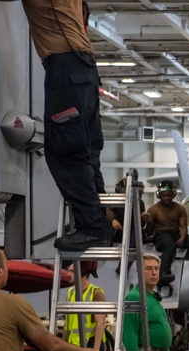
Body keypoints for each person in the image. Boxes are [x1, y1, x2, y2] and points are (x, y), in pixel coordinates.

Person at [18, 1, 111, 251]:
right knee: (88, 149)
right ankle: (100, 223)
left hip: (66, 67)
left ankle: (91, 227)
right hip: (84, 68)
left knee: (66, 151)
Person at [142, 180, 189, 294]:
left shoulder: (180, 209)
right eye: (164, 195)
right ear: (159, 195)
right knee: (169, 246)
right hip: (160, 235)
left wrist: (182, 237)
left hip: (175, 233)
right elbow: (149, 231)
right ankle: (163, 273)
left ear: (173, 195)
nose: (166, 198)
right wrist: (146, 221)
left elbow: (183, 225)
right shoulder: (153, 210)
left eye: (169, 195)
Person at [65, 260, 109, 351]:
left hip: (90, 347)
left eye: (72, 271)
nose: (68, 274)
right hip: (73, 349)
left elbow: (100, 323)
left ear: (81, 273)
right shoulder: (71, 293)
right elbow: (67, 324)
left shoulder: (95, 294)